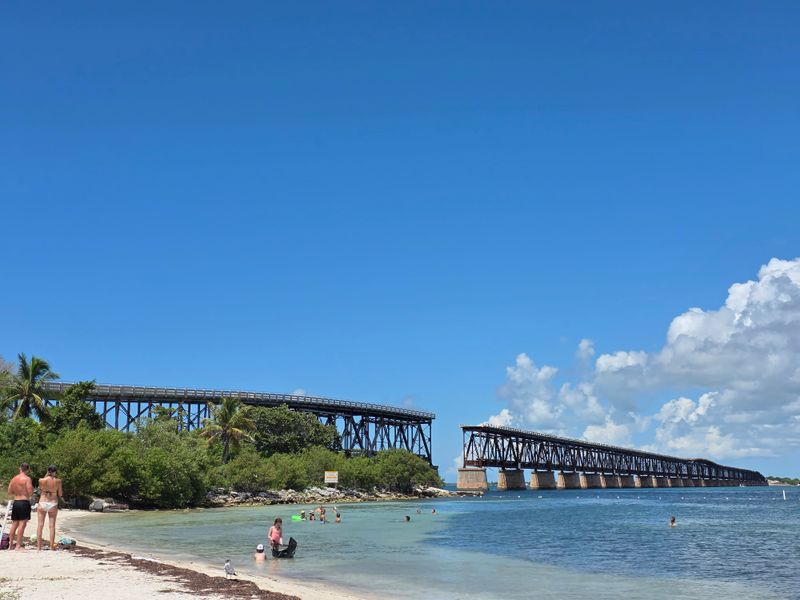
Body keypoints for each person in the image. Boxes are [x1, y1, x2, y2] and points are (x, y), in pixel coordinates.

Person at [7, 463, 33, 551]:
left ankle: (10, 545)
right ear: (27, 470)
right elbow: (30, 492)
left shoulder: (14, 479)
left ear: (20, 468)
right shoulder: (27, 479)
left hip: (16, 502)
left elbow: (9, 492)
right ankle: (18, 546)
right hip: (24, 502)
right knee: (22, 524)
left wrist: (17, 492)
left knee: (14, 524)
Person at [36, 465, 63, 551]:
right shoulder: (58, 481)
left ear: (48, 471)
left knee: (40, 525)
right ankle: (52, 547)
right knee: (52, 526)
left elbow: (41, 487)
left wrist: (46, 475)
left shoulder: (41, 480)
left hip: (42, 502)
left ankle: (39, 547)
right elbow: (60, 494)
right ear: (55, 472)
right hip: (53, 503)